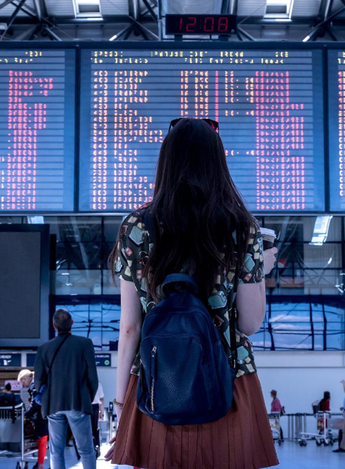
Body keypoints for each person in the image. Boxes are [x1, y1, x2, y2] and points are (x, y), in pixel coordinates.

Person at [105, 118, 279, 469]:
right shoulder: (242, 226)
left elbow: (129, 328)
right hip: (228, 379)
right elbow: (250, 322)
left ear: (165, 162)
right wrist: (260, 271)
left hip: (157, 379)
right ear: (218, 162)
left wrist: (122, 399)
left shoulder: (137, 226)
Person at [35, 309, 98, 469]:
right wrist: (86, 398)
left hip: (53, 405)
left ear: (54, 326)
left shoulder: (44, 348)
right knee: (86, 449)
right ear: (72, 323)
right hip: (77, 403)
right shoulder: (85, 344)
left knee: (56, 451)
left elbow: (38, 381)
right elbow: (93, 378)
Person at [19, 369, 48, 469]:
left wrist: (27, 414)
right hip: (48, 413)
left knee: (42, 439)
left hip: (41, 415)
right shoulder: (40, 381)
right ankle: (42, 464)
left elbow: (37, 401)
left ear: (27, 377)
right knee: (45, 439)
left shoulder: (34, 383)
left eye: (23, 380)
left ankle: (40, 465)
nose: (23, 383)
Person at [91, 382, 104, 457]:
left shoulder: (82, 381)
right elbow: (101, 399)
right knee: (95, 428)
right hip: (95, 407)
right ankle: (96, 446)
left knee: (86, 429)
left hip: (85, 406)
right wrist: (101, 412)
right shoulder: (98, 384)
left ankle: (88, 448)